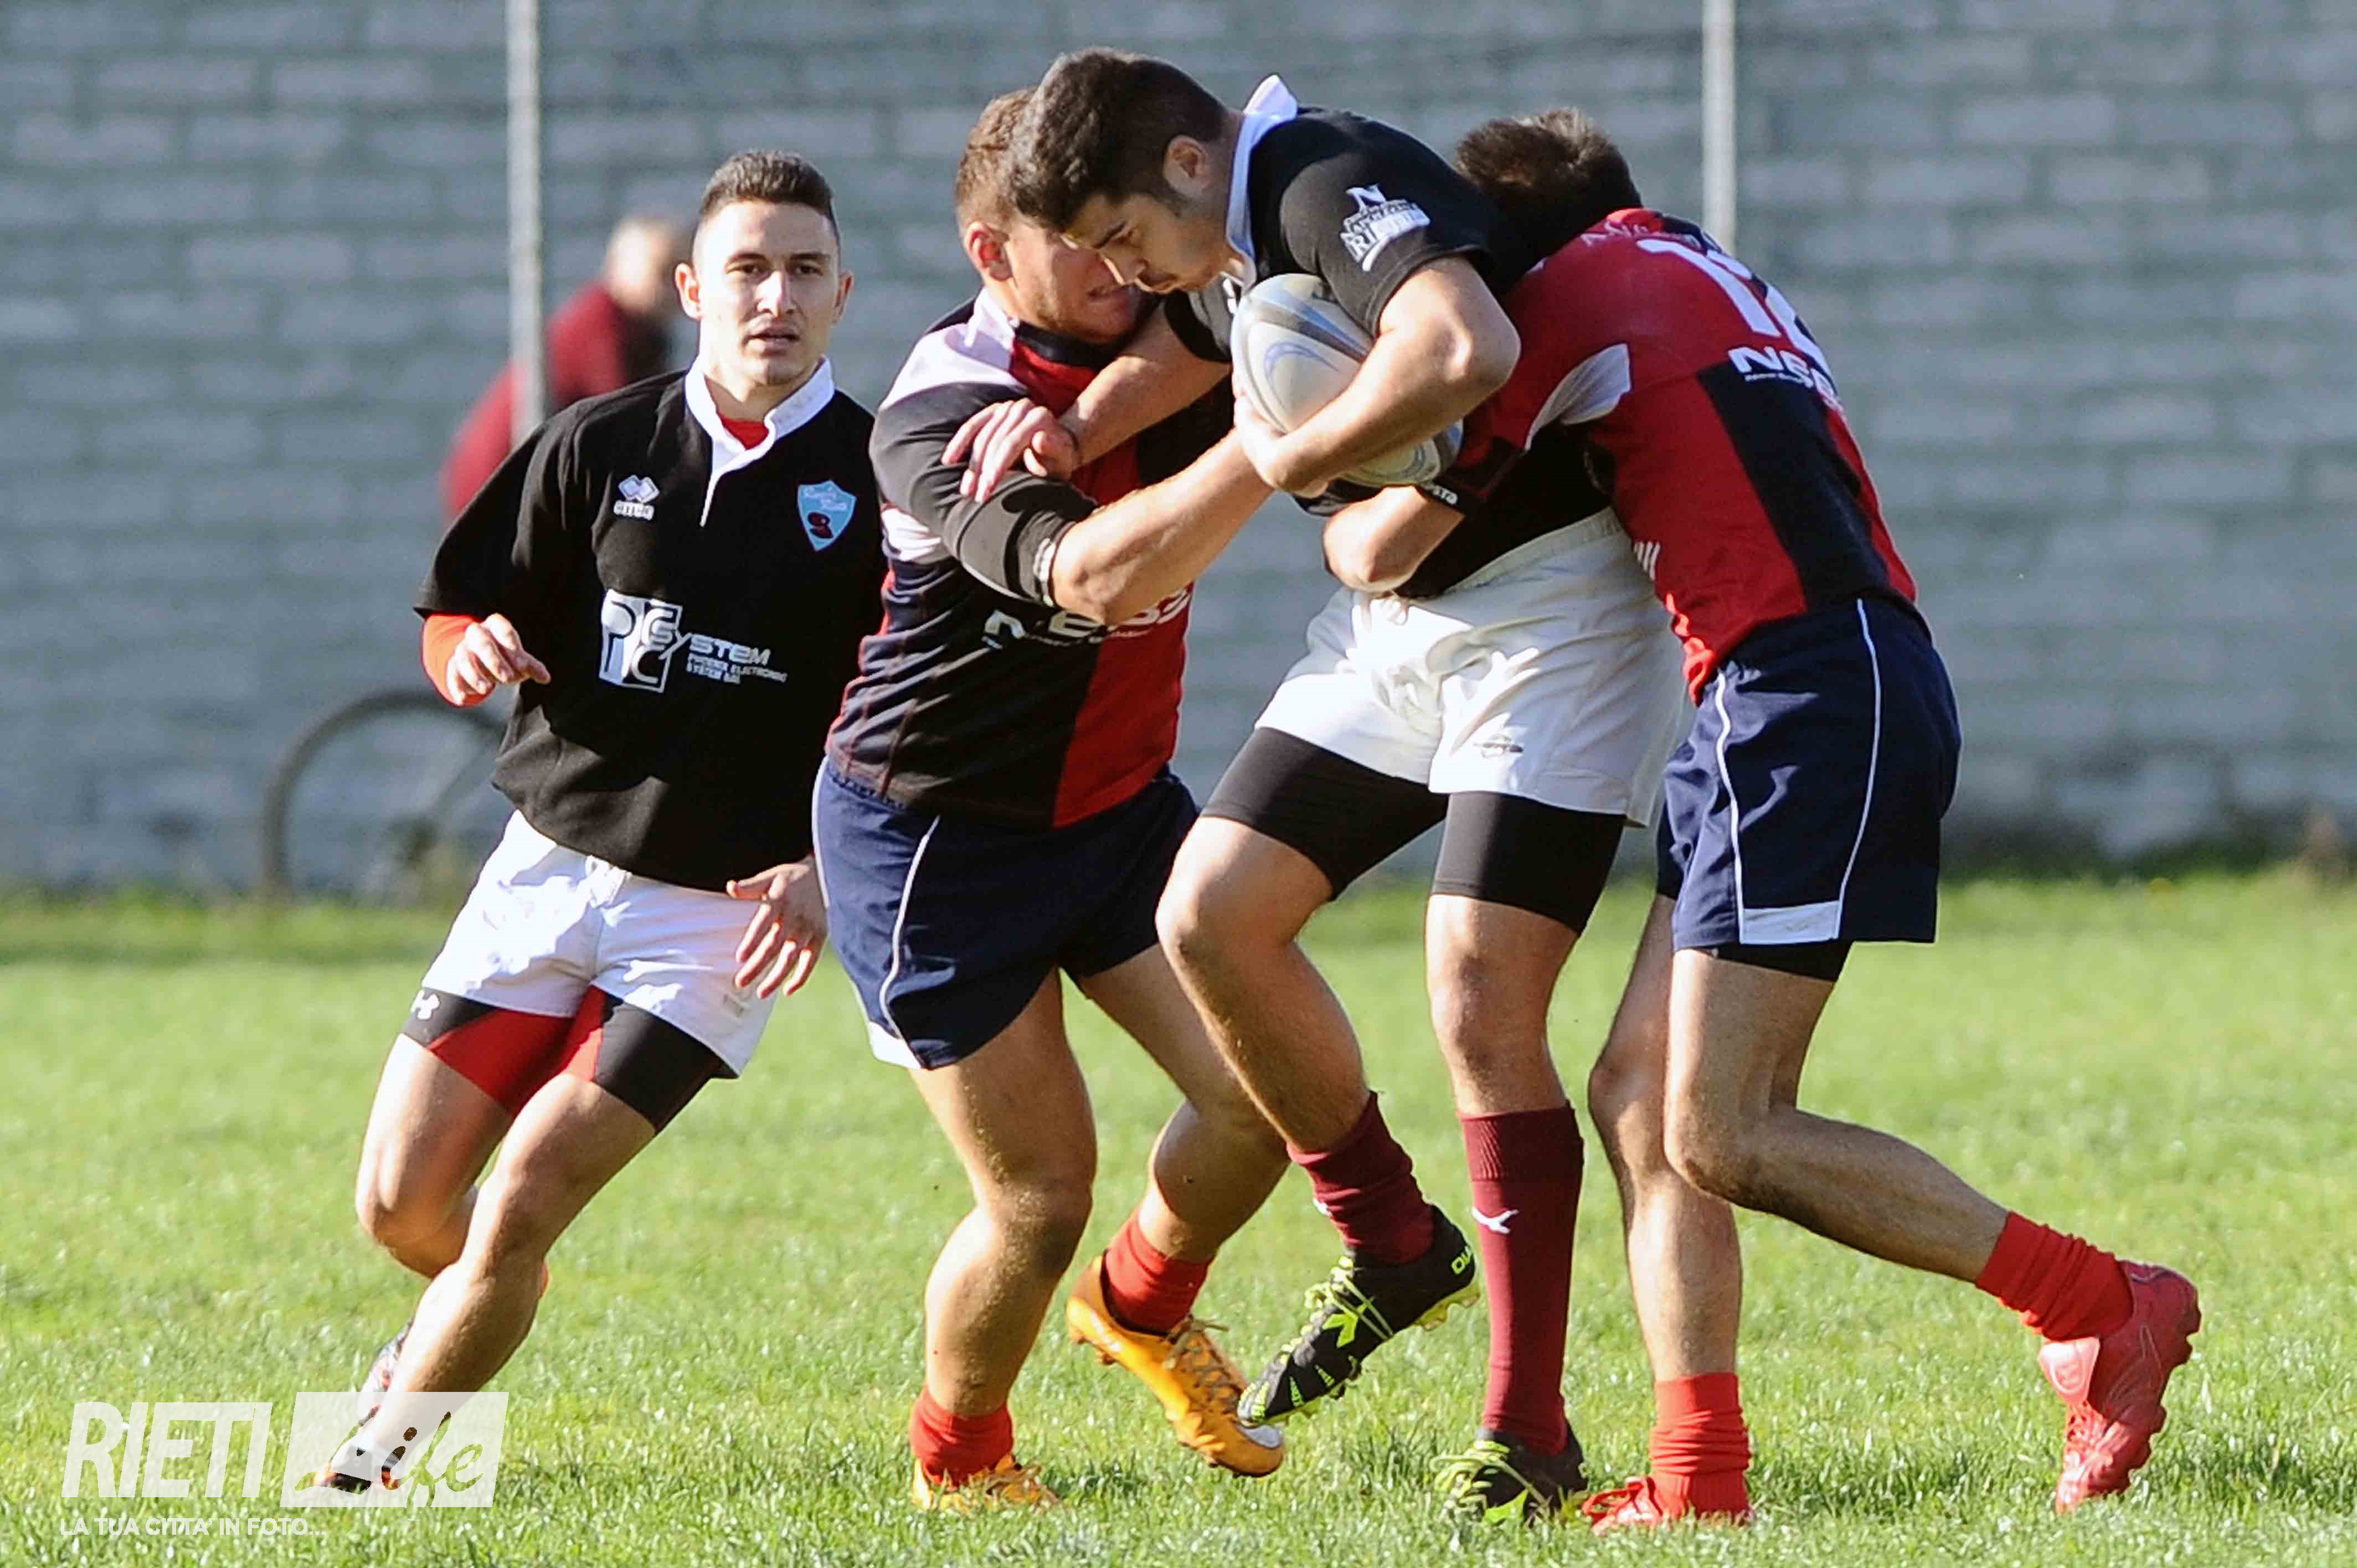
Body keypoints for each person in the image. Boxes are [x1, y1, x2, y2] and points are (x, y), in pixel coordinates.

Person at [1360, 108, 2202, 1530]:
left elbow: (1396, 540)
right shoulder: (1702, 268)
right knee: (1643, 1098)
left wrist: (1292, 451)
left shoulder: (1564, 298)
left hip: (1800, 690)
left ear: (1512, 251)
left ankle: (2099, 1304)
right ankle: (1700, 1479)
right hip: (1783, 689)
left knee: (1723, 1130)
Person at [954, 50, 1687, 1524]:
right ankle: (1393, 1238)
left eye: (1121, 239)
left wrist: (1294, 453)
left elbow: (1462, 343)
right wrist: (1080, 430)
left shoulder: (1323, 181)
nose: (1123, 276)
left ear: (1184, 164)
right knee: (1211, 912)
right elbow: (1206, 338)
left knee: (1477, 994)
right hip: (1401, 618)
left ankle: (1529, 1434)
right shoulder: (1226, 233)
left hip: (1552, 618)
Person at [306, 151, 884, 1496]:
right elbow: (461, 608)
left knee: (520, 1201)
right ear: (691, 289)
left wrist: (824, 864)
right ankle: (479, 1303)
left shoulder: (879, 483)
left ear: (843, 295)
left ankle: (366, 1469)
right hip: (546, 870)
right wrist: (467, 650)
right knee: (402, 1208)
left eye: (804, 271)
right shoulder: (596, 442)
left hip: (719, 921)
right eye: (748, 268)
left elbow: (913, 715)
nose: (776, 297)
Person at [816, 90, 1292, 1514]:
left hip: (1119, 811)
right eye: (1077, 242)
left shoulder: (1186, 320)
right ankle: (959, 1465)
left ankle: (1138, 1305)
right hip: (937, 842)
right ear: (992, 252)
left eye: (1121, 227)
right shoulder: (942, 411)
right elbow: (1095, 581)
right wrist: (1277, 436)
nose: (1118, 260)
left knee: (1267, 1098)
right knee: (1038, 1197)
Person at [440, 215, 689, 522]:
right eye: (660, 271)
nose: (670, 289)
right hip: (498, 481)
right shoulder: (603, 327)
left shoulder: (641, 332)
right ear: (620, 267)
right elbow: (629, 421)